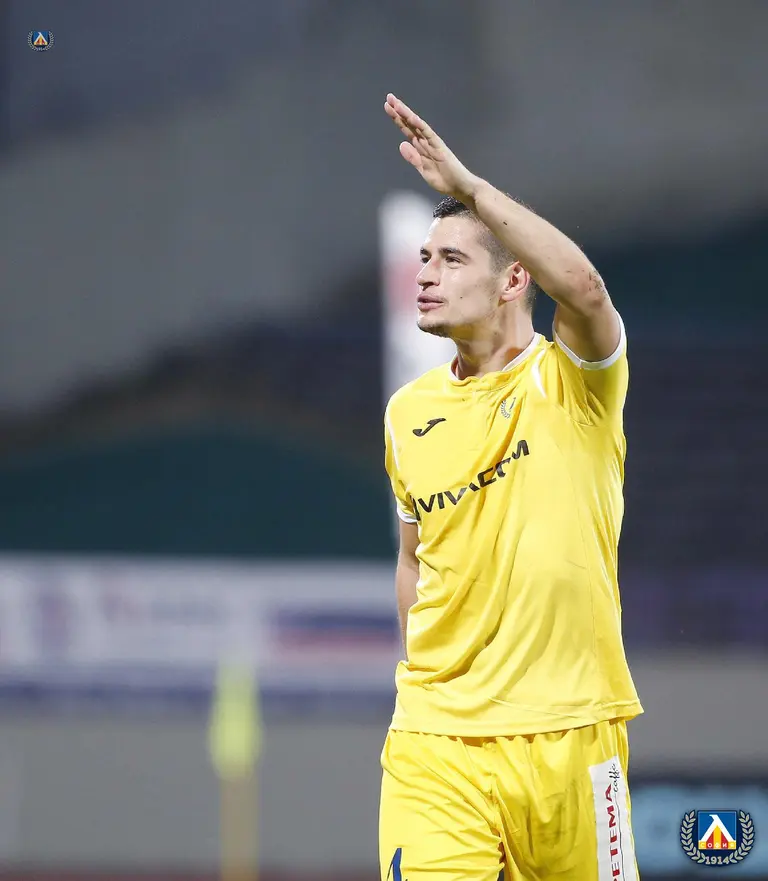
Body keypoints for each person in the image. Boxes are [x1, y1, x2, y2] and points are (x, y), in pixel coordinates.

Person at [379, 93, 643, 881]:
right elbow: (413, 558)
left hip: (572, 732)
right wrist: (435, 674)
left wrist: (469, 188)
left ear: (513, 278)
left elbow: (585, 289)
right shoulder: (407, 413)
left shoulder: (576, 381)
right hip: (437, 740)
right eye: (424, 258)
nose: (426, 274)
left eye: (452, 259)